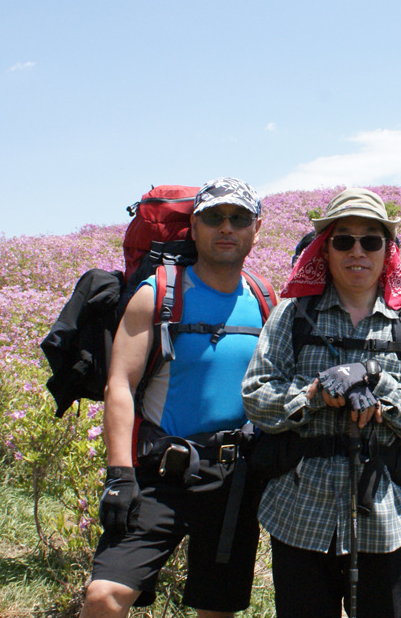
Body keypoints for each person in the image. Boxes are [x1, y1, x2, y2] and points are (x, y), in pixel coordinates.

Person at [243, 187, 401, 618]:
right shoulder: (293, 316)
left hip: (383, 520)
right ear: (326, 248)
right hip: (299, 516)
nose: (357, 251)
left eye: (371, 240)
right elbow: (257, 396)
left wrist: (380, 388)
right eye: (343, 240)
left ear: (386, 250)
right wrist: (315, 394)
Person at [80, 177, 271, 618]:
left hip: (233, 481)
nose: (227, 227)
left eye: (238, 218)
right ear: (194, 226)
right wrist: (119, 475)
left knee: (217, 610)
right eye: (213, 217)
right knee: (105, 597)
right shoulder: (156, 294)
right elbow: (120, 386)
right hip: (158, 474)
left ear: (255, 229)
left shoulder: (264, 299)